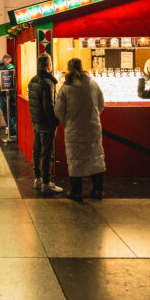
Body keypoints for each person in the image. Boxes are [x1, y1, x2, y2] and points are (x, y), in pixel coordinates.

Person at [54, 58, 105, 201]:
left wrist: (67, 122)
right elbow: (101, 104)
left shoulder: (66, 87)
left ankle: (76, 192)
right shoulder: (93, 84)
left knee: (75, 160)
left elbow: (59, 110)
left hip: (74, 129)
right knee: (95, 158)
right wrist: (93, 117)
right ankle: (98, 190)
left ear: (68, 68)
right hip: (93, 127)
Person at [28, 54, 62, 194]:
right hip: (46, 123)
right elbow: (49, 106)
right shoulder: (48, 83)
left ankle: (37, 178)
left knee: (37, 150)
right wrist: (55, 121)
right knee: (47, 152)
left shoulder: (33, 80)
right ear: (49, 65)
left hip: (36, 120)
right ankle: (46, 182)